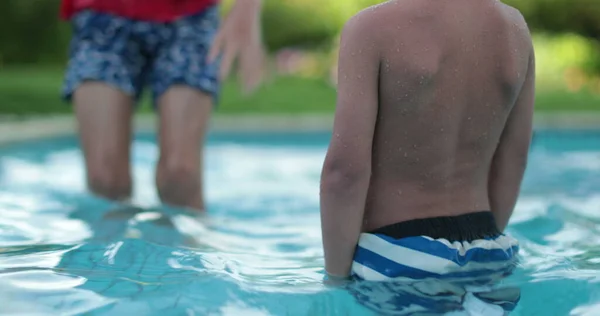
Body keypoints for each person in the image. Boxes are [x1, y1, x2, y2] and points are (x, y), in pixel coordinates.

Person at [320, 0, 534, 288]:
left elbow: (344, 172)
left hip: (397, 254)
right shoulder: (515, 28)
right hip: (489, 251)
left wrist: (336, 278)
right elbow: (515, 157)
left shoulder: (371, 28)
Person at [60, 0, 265, 210]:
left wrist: (247, 10)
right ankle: (108, 241)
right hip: (101, 14)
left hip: (190, 16)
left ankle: (190, 241)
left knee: (180, 176)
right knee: (104, 179)